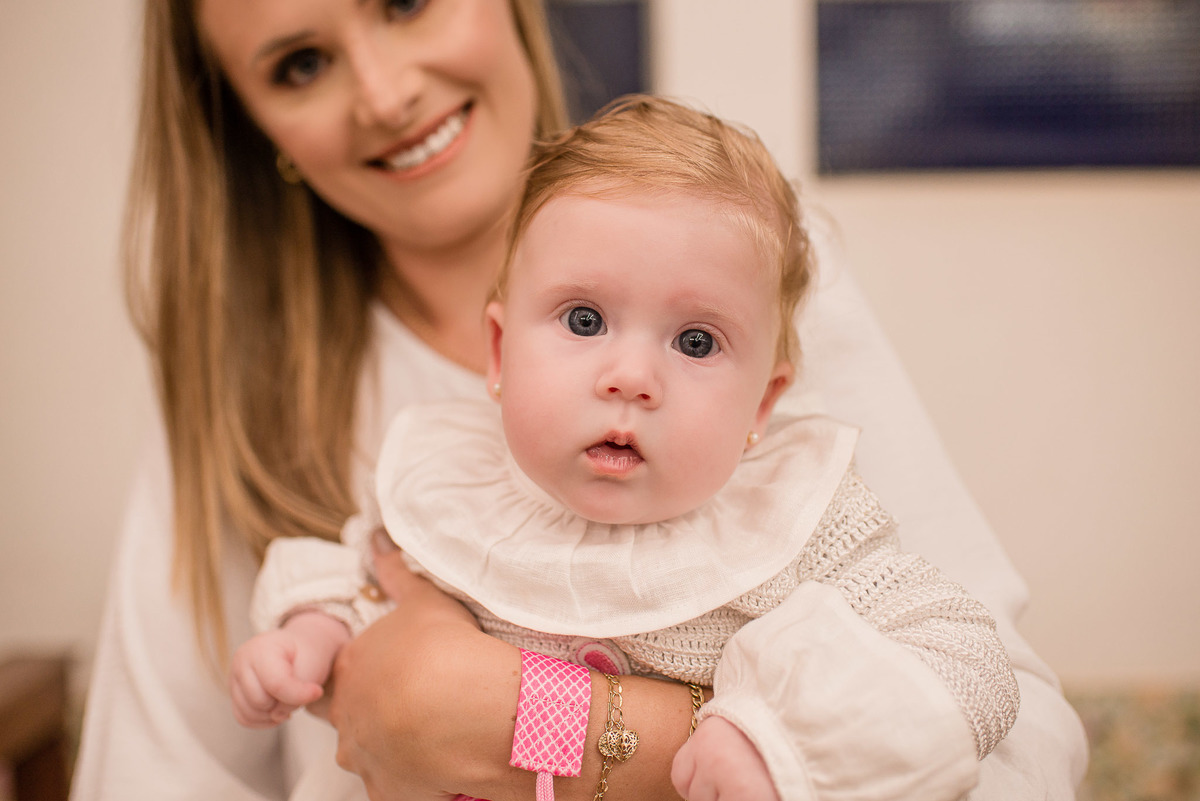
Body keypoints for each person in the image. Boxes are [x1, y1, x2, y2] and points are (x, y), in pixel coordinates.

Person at [70, 0, 1088, 799]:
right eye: (300, 63)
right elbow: (167, 762)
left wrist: (520, 716)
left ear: (766, 399)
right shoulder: (318, 426)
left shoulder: (758, 279)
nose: (384, 94)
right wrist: (314, 631)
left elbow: (1010, 740)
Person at [232, 95, 1021, 801]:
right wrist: (313, 631)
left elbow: (967, 662)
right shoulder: (456, 484)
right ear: (500, 353)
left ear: (763, 401)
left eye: (696, 340)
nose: (632, 378)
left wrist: (784, 745)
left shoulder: (801, 530)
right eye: (584, 320)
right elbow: (365, 579)